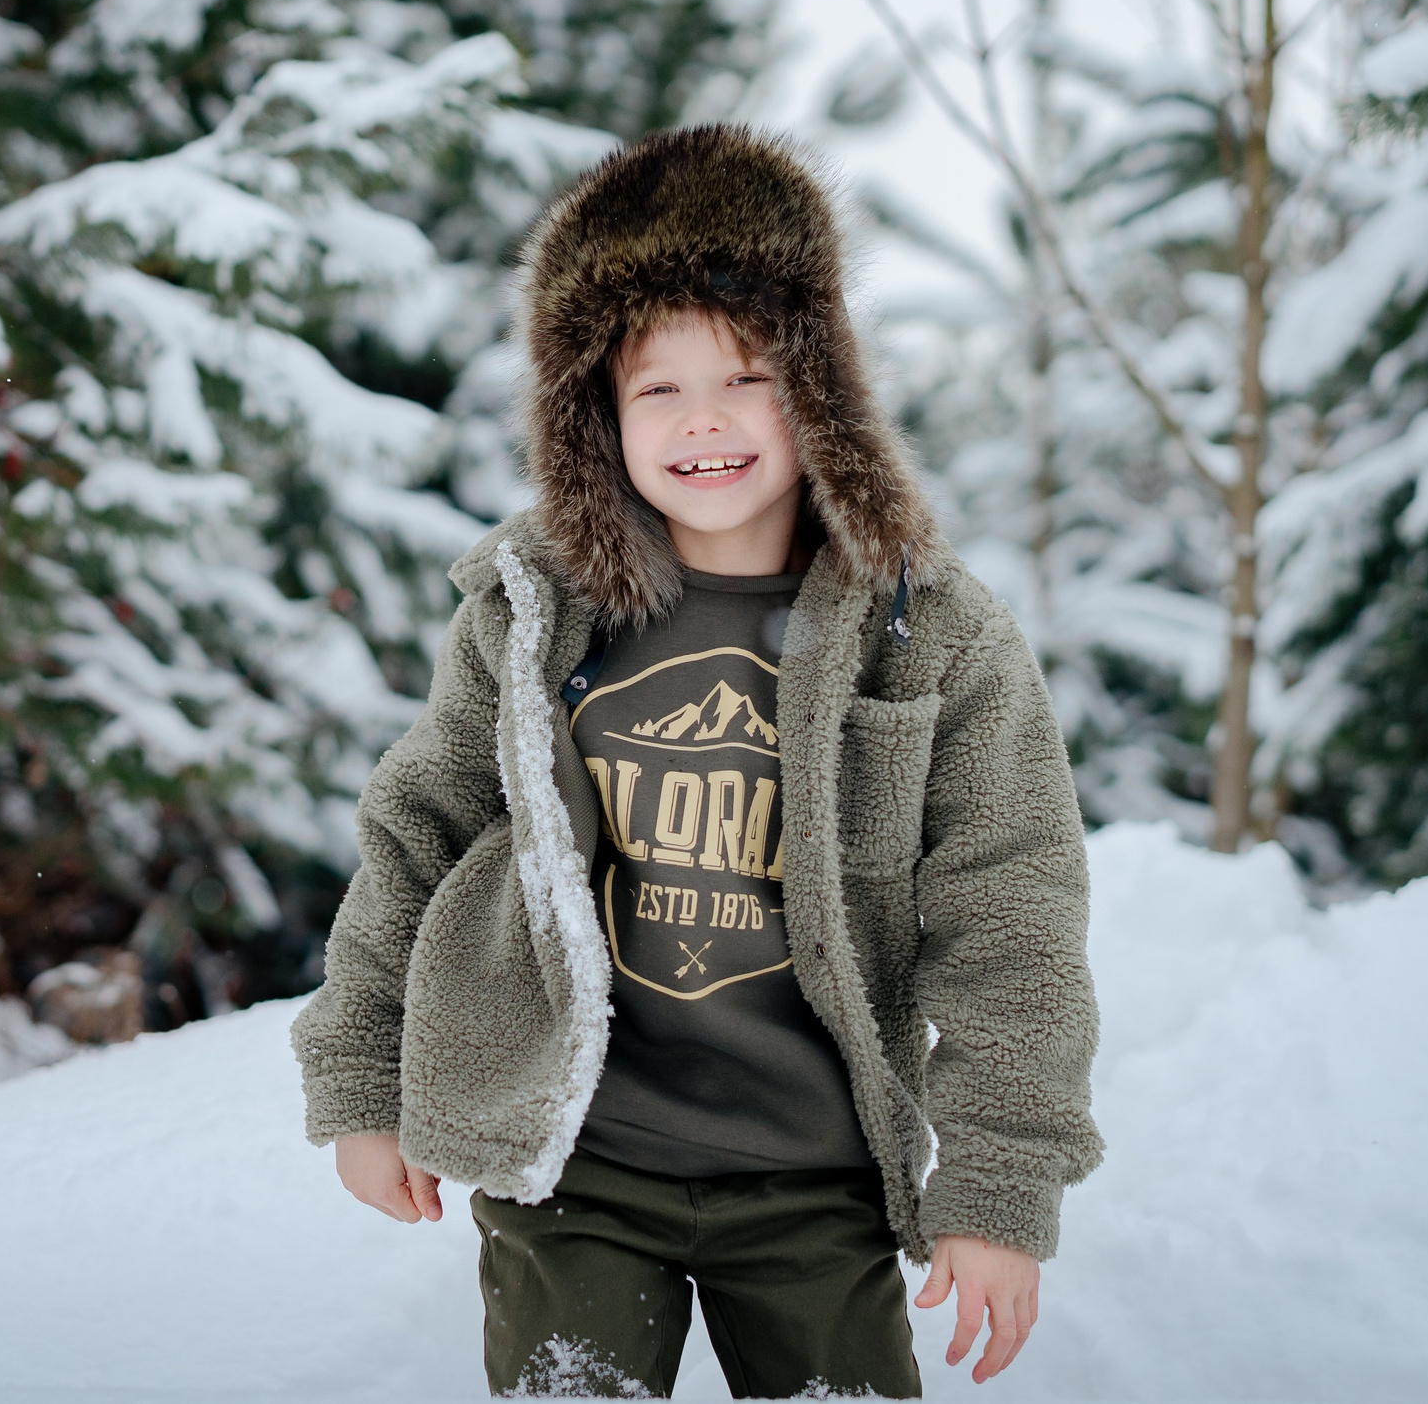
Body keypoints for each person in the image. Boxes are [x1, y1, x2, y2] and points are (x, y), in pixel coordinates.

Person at [291, 124, 1102, 1398]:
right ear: (593, 415)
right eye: (655, 388)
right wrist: (359, 1075)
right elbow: (420, 829)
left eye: (750, 378)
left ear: (820, 392)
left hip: (814, 1174)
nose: (703, 420)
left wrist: (999, 1184)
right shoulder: (533, 608)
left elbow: (1012, 913)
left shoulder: (924, 629)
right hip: (576, 1160)